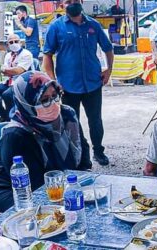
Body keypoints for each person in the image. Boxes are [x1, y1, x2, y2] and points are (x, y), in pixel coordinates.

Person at [0, 71, 82, 212]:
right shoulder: (15, 136)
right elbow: (35, 186)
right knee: (43, 216)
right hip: (13, 191)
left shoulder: (66, 115)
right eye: (44, 100)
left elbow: (83, 157)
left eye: (54, 96)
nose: (53, 103)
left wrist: (81, 184)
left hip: (57, 184)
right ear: (26, 102)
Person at [43, 0, 114, 168]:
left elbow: (108, 48)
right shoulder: (55, 27)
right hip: (67, 86)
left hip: (93, 84)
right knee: (72, 122)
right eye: (68, 1)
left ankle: (98, 151)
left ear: (81, 2)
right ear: (62, 5)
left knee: (95, 120)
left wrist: (109, 69)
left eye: (75, 0)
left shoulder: (94, 25)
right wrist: (53, 81)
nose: (72, 3)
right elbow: (47, 55)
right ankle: (81, 153)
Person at [0, 34, 33, 122]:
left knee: (6, 95)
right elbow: (4, 70)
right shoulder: (8, 55)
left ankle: (12, 118)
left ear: (20, 42)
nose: (14, 43)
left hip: (23, 82)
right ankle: (3, 115)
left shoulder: (26, 54)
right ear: (8, 44)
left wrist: (6, 70)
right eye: (11, 42)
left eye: (16, 41)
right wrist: (7, 70)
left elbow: (18, 71)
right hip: (9, 82)